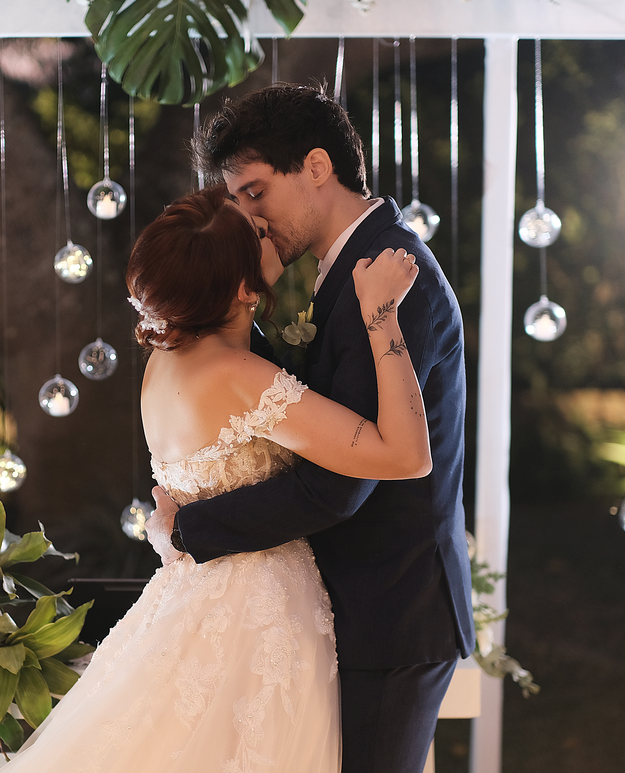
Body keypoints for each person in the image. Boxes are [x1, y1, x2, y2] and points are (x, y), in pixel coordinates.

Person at [0, 183, 430, 772]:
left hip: (193, 603)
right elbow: (405, 456)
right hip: (258, 625)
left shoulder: (165, 361)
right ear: (245, 289)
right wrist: (381, 317)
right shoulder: (238, 376)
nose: (265, 222)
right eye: (255, 233)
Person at [149, 83, 475, 773]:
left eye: (256, 192)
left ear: (318, 167)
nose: (249, 218)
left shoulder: (393, 275)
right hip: (349, 608)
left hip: (391, 609)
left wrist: (191, 527)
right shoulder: (343, 272)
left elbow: (339, 484)